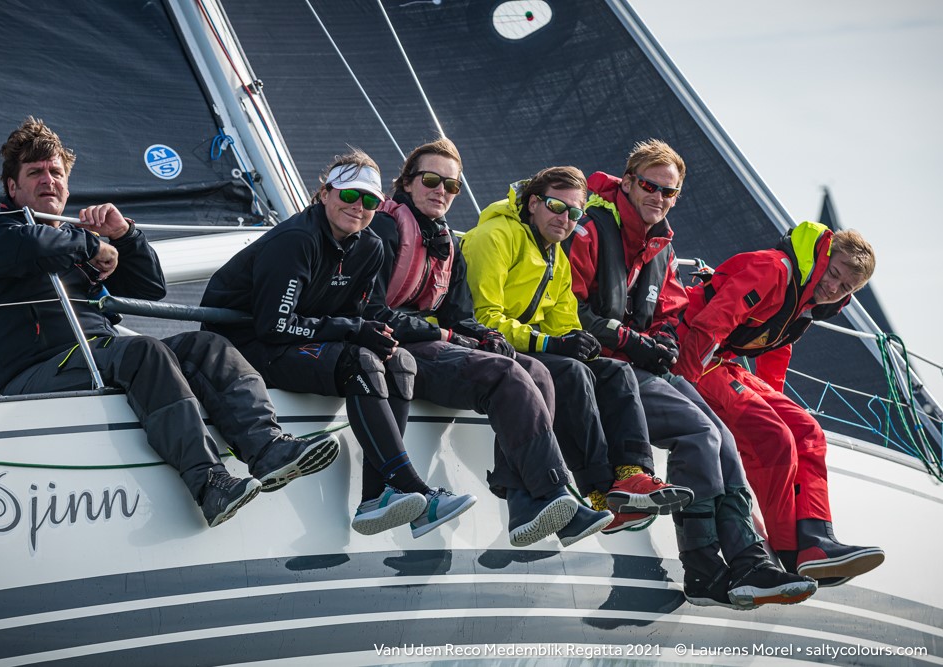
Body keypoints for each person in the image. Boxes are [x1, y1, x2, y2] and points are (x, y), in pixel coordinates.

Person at [0, 117, 339, 529]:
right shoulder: (2, 235)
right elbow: (33, 246)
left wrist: (125, 235)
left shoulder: (72, 242)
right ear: (12, 187)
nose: (48, 180)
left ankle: (266, 448)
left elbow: (151, 286)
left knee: (208, 346)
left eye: (56, 172)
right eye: (35, 172)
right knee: (144, 350)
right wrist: (94, 244)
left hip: (95, 355)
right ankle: (209, 483)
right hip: (30, 374)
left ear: (68, 184)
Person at [564, 139, 817, 608]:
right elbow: (569, 306)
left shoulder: (661, 244)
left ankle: (748, 561)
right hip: (597, 365)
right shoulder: (590, 230)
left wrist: (662, 340)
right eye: (650, 186)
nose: (658, 198)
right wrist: (632, 341)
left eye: (669, 192)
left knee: (721, 435)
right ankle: (702, 568)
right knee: (700, 433)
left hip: (636, 364)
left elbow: (670, 310)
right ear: (628, 181)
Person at [201, 149, 476, 539]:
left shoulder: (370, 247)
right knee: (359, 361)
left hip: (292, 337)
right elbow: (274, 325)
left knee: (399, 361)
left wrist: (377, 332)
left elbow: (360, 317)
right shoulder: (297, 239)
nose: (358, 207)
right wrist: (350, 330)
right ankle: (414, 490)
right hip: (243, 345)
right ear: (325, 193)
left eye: (369, 200)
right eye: (349, 195)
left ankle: (376, 495)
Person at [363, 137, 614, 547]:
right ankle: (551, 492)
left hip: (430, 341)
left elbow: (459, 314)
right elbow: (369, 310)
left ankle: (523, 502)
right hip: (393, 346)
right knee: (505, 372)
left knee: (536, 372)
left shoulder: (444, 240)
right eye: (430, 179)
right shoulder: (382, 229)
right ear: (406, 183)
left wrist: (485, 336)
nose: (440, 190)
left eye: (451, 186)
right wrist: (452, 335)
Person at [460, 165, 694, 537]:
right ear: (534, 203)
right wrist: (553, 344)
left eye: (574, 212)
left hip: (525, 347)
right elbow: (484, 318)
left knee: (615, 371)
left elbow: (564, 319)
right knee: (572, 372)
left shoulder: (554, 254)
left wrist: (576, 340)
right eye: (556, 206)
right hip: (482, 344)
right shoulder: (495, 237)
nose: (565, 218)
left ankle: (631, 475)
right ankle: (597, 492)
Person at [675, 220, 884, 587]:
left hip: (718, 360)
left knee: (807, 431)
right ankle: (789, 550)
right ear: (823, 257)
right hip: (687, 352)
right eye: (833, 273)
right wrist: (683, 386)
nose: (833, 287)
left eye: (845, 287)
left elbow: (777, 348)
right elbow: (711, 323)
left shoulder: (808, 302)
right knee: (773, 436)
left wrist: (769, 401)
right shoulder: (774, 270)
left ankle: (817, 544)